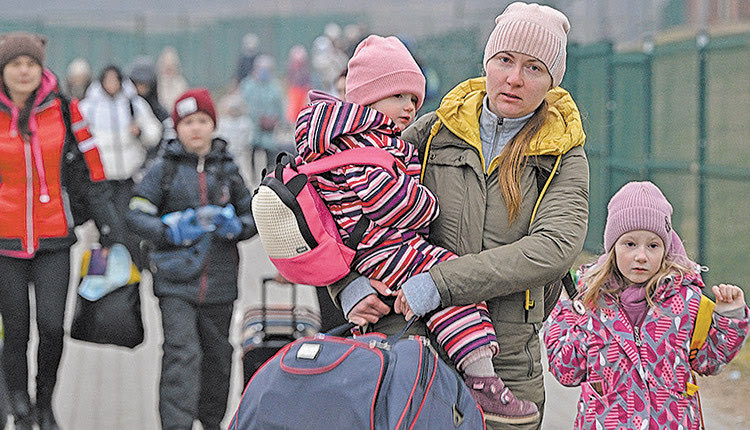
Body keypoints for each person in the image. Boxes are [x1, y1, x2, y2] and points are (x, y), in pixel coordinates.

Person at [335, 4, 588, 429]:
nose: (514, 78)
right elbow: (333, 196)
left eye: (534, 68)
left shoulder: (563, 152)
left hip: (504, 366)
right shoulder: (432, 132)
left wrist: (440, 283)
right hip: (409, 346)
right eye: (505, 60)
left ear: (552, 80)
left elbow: (554, 249)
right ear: (487, 61)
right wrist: (346, 286)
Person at [297, 34, 538, 423]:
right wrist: (428, 204)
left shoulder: (344, 139)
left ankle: (477, 375)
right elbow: (387, 202)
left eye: (414, 98)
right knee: (451, 284)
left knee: (444, 286)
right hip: (385, 249)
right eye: (398, 97)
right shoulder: (364, 145)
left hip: (376, 250)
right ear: (369, 98)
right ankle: (481, 378)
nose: (409, 108)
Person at [544, 181, 749, 429]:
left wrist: (730, 315)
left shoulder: (687, 302)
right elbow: (566, 371)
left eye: (653, 245)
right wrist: (568, 314)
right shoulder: (589, 303)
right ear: (613, 248)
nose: (641, 256)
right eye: (630, 244)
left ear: (665, 249)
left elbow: (709, 361)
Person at [0, 31, 125, 430]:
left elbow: (93, 168)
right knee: (15, 331)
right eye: (16, 64)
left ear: (41, 69)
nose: (24, 71)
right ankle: (19, 406)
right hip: (5, 242)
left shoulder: (65, 110)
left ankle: (44, 402)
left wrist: (109, 226)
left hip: (55, 236)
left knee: (52, 328)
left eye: (31, 64)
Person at [126, 88, 256, 430]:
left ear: (213, 124)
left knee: (218, 358)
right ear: (176, 127)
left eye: (202, 121)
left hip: (220, 284)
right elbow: (136, 213)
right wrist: (169, 230)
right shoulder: (163, 168)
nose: (195, 129)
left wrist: (235, 226)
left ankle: (212, 422)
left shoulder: (228, 168)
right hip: (174, 283)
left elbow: (253, 216)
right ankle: (176, 424)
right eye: (187, 122)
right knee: (182, 356)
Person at [79, 64, 162, 269]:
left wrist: (140, 132)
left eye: (115, 80)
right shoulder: (89, 106)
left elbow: (154, 132)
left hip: (129, 177)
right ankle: (102, 279)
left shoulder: (134, 103)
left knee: (129, 229)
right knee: (104, 231)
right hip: (101, 179)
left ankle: (131, 274)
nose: (111, 85)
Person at [240, 54, 285, 178]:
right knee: (252, 151)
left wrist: (282, 121)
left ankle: (269, 176)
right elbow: (243, 102)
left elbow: (280, 106)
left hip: (268, 126)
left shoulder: (275, 87)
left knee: (270, 152)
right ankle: (253, 176)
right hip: (253, 126)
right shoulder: (248, 84)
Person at [156, 46, 188, 112]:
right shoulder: (156, 83)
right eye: (166, 65)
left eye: (171, 66)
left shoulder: (181, 83)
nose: (169, 68)